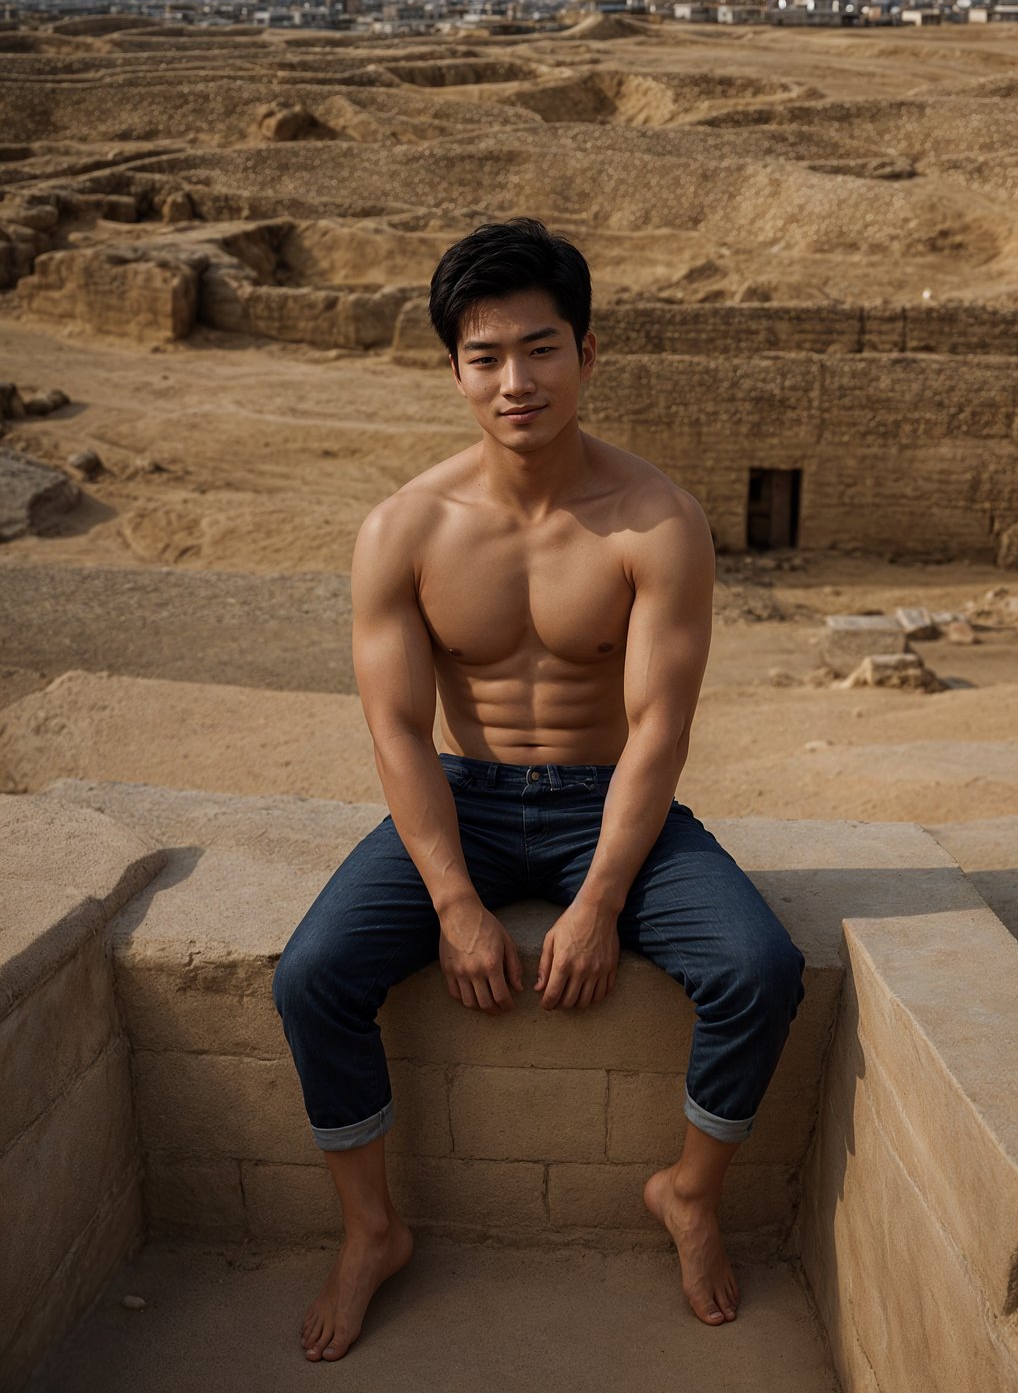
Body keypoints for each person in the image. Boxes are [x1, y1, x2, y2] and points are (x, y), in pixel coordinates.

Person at [273, 217, 805, 1362]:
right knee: (313, 976)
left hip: (608, 802)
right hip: (461, 796)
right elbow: (399, 731)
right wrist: (456, 902)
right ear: (454, 369)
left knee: (758, 969)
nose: (515, 381)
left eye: (541, 348)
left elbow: (661, 727)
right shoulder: (405, 528)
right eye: (485, 355)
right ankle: (372, 1231)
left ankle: (689, 1192)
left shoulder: (655, 520)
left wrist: (603, 899)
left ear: (588, 354)